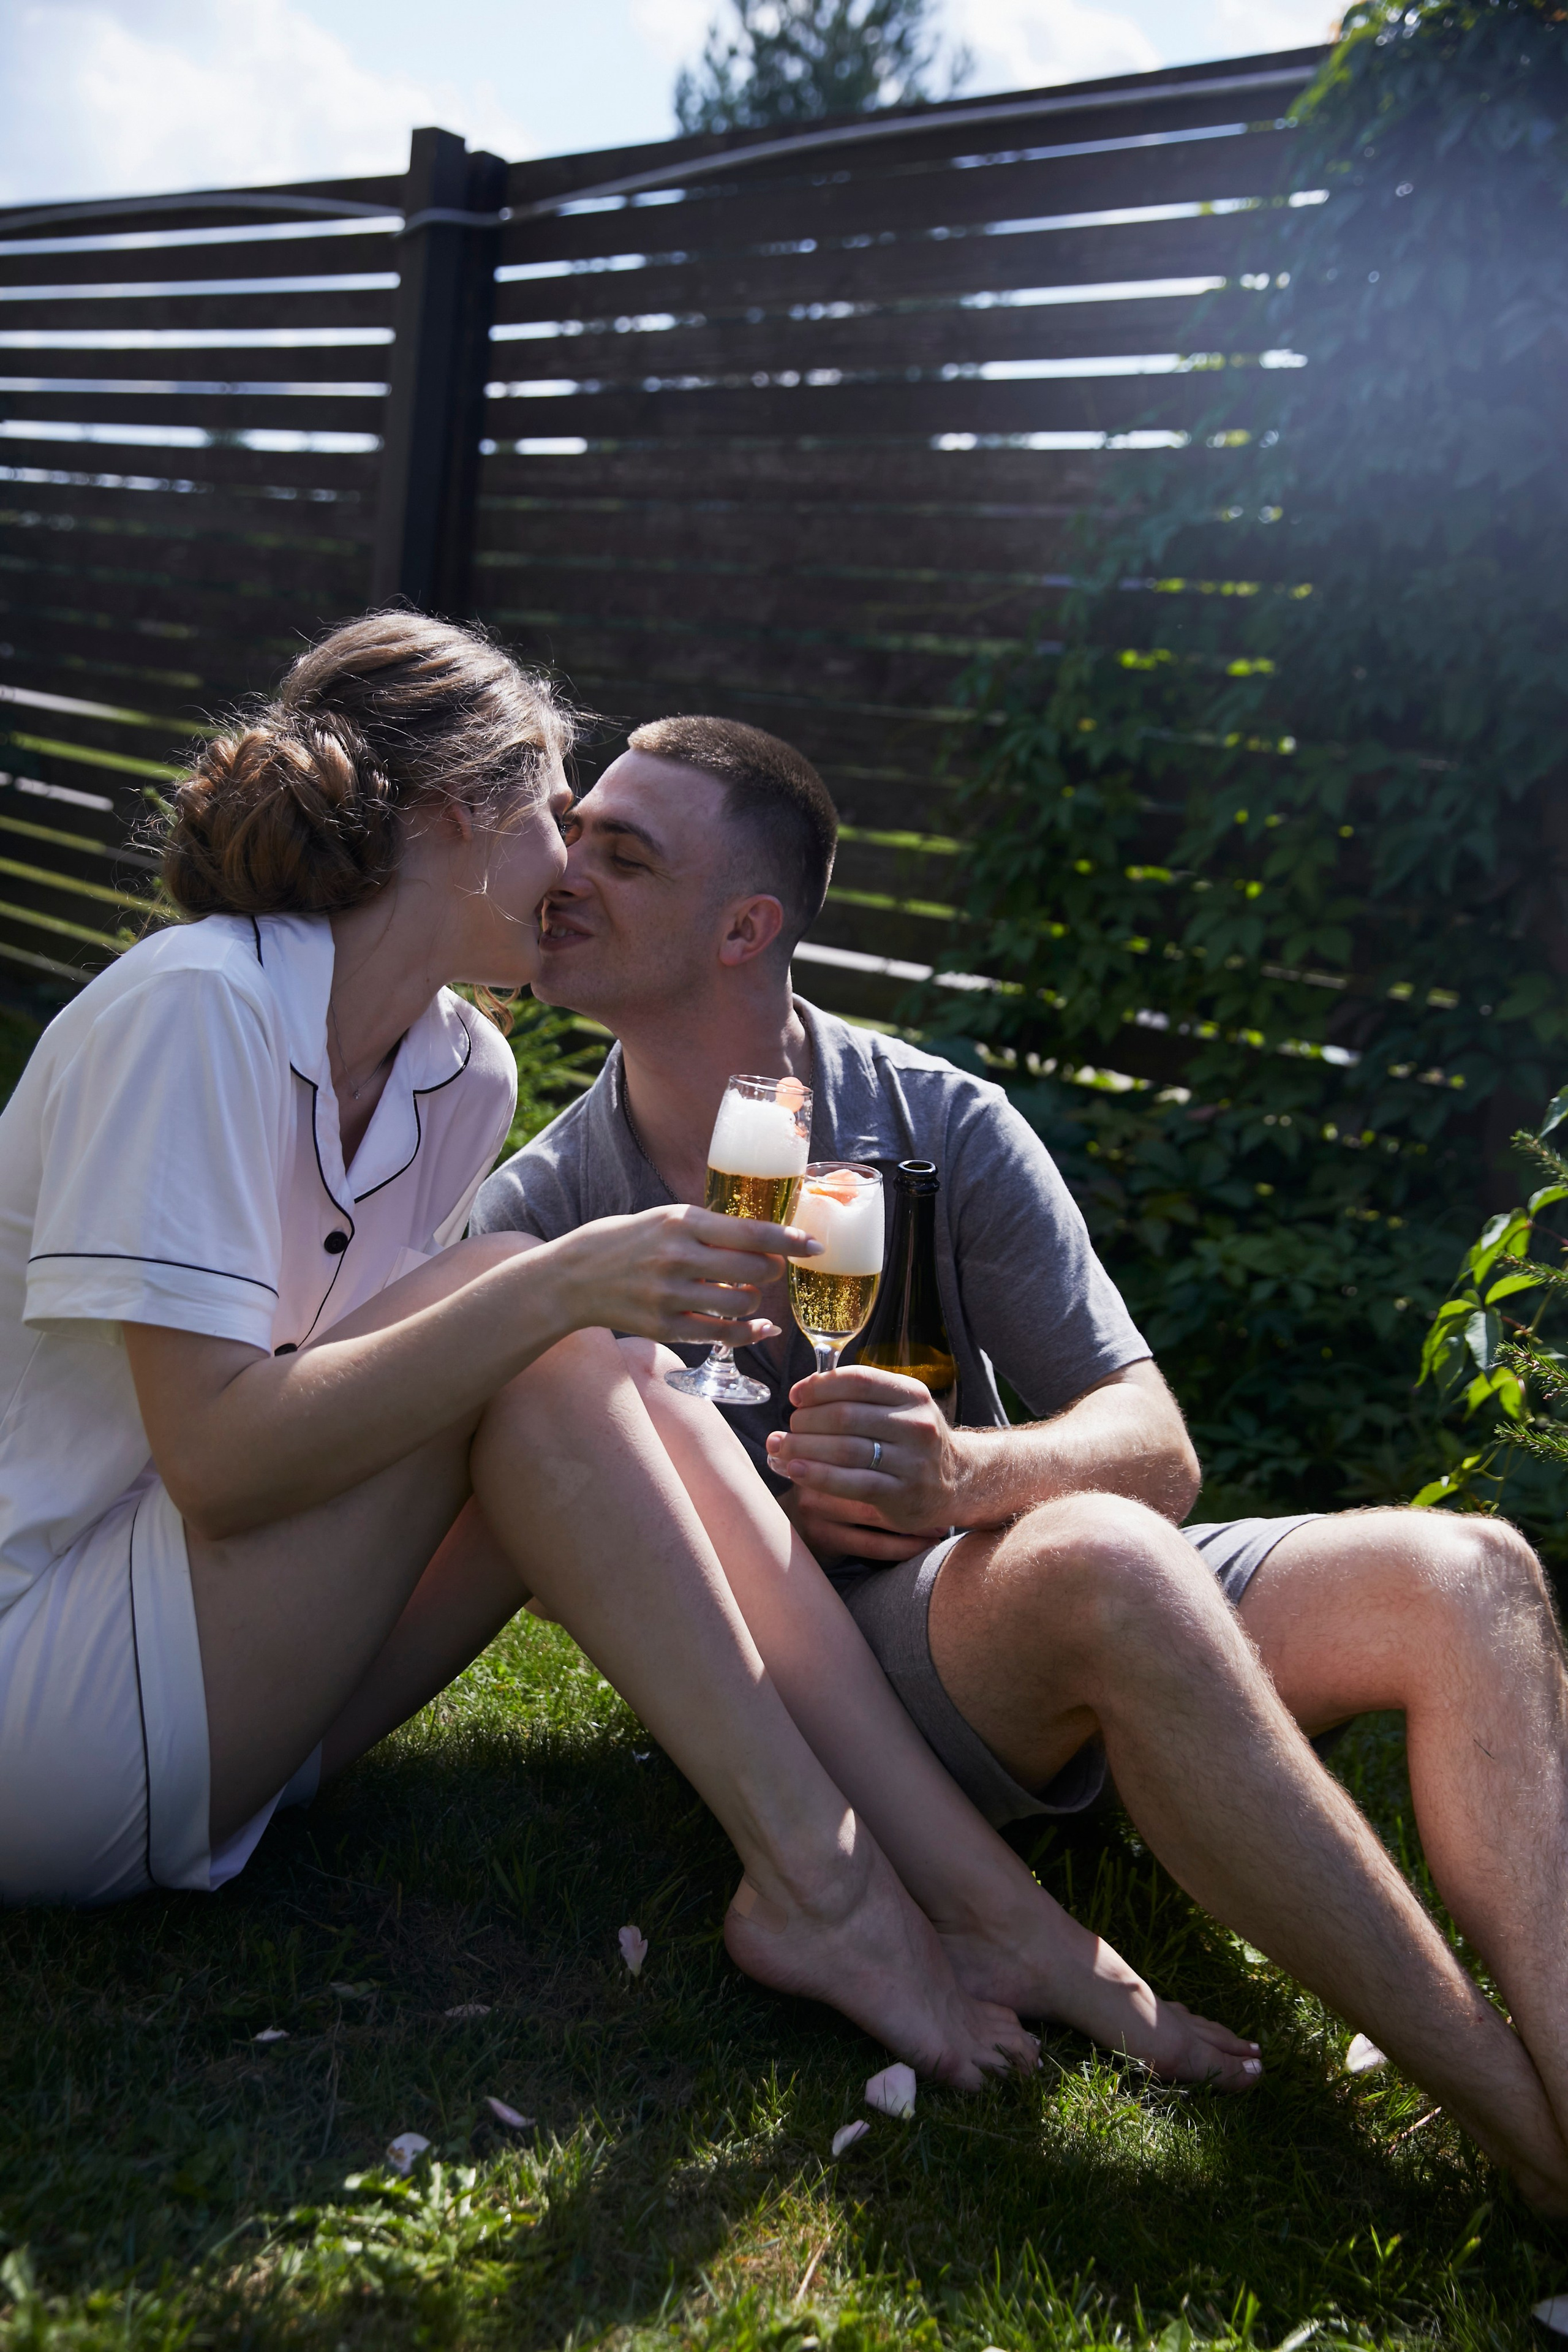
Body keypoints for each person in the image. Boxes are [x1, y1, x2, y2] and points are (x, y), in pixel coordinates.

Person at [473, 712, 1568, 2213]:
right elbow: (546, 1548)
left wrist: (960, 1481)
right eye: (574, 831)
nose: (563, 873)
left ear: (745, 926)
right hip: (853, 1684)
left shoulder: (935, 1119)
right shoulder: (539, 1223)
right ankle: (1519, 2131)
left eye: (623, 853)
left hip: (1011, 1587)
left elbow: (1156, 1452)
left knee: (1468, 1572)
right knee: (1104, 1561)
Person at [0, 610, 1090, 2094]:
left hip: (254, 1710)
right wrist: (554, 1288)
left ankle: (974, 1899)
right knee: (544, 1319)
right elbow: (223, 1464)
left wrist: (555, 1311)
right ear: (457, 821)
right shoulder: (199, 1007)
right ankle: (839, 1902)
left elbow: (404, 1404)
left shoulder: (465, 1069)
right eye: (553, 815)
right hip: (45, 1702)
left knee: (583, 1357)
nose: (571, 869)